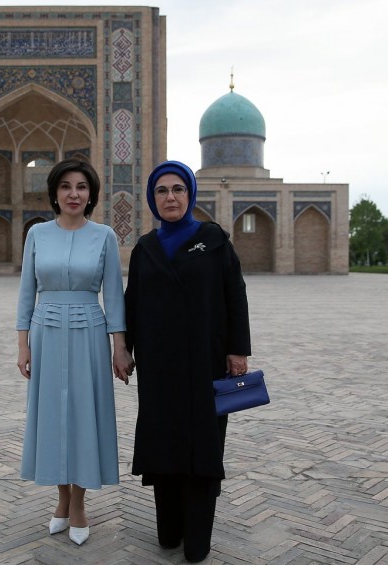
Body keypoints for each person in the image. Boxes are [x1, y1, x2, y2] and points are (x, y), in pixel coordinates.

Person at [124, 160, 251, 563]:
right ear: (152, 199)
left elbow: (235, 295)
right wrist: (123, 349)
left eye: (178, 189)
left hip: (206, 362)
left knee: (203, 444)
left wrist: (238, 350)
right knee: (164, 442)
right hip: (159, 366)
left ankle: (197, 537)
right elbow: (132, 303)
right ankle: (169, 528)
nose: (171, 197)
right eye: (162, 191)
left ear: (191, 194)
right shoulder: (145, 248)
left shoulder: (214, 240)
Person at [16, 157, 134, 546]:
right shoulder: (37, 234)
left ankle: (79, 503)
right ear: (54, 193)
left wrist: (120, 349)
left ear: (91, 195)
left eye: (81, 187)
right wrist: (22, 344)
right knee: (52, 415)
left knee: (84, 415)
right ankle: (61, 498)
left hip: (89, 333)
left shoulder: (104, 236)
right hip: (46, 332)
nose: (73, 194)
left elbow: (113, 296)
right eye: (66, 186)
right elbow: (27, 291)